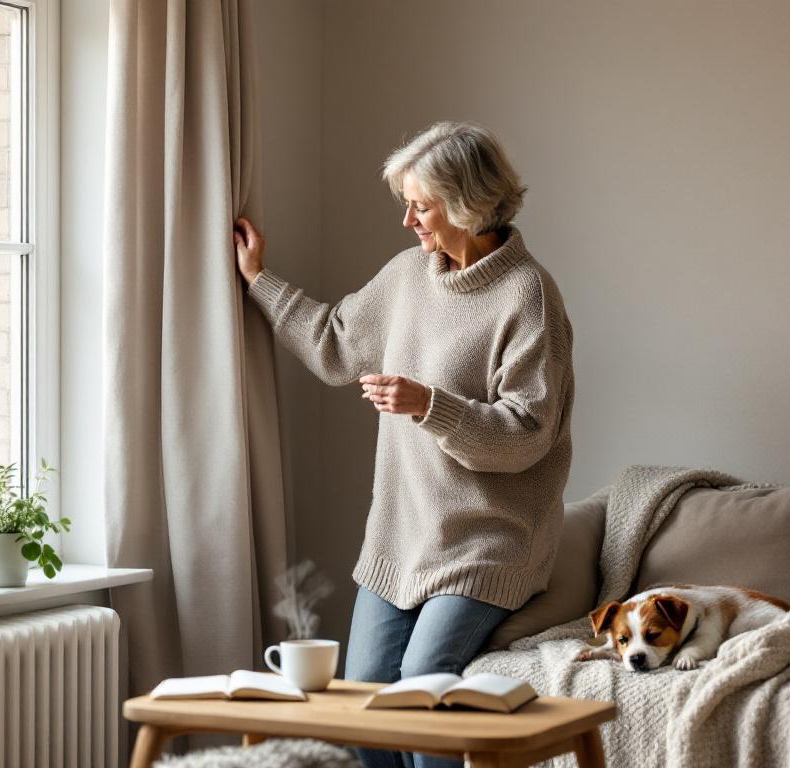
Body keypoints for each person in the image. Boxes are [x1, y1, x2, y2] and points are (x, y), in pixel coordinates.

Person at [234, 121, 574, 768]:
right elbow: (335, 342)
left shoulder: (527, 295)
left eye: (421, 205)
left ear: (468, 203)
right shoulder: (407, 277)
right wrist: (258, 279)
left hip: (488, 542)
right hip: (401, 537)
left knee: (422, 685)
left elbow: (528, 436)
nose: (409, 221)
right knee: (366, 702)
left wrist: (430, 406)